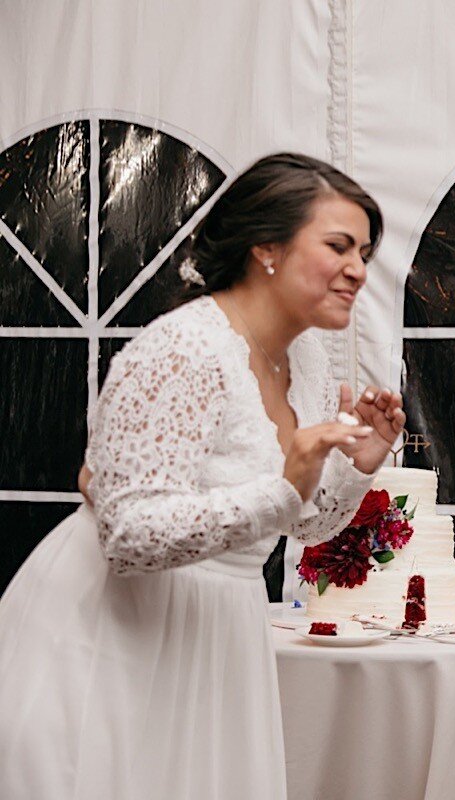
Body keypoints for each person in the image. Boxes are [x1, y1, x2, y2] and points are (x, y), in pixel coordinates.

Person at [0, 153, 405, 800]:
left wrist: (356, 467)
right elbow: (129, 535)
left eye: (364, 250)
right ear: (266, 247)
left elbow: (303, 522)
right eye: (339, 246)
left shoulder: (305, 359)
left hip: (223, 632)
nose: (359, 269)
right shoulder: (182, 350)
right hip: (119, 635)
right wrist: (281, 488)